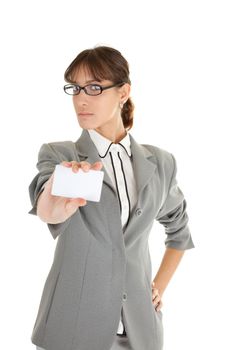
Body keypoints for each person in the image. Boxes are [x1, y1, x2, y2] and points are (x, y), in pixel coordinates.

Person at [28, 46, 194, 350]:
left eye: (94, 87)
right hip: (72, 331)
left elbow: (179, 231)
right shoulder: (61, 156)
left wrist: (158, 286)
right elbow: (46, 208)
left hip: (139, 333)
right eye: (75, 88)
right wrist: (55, 199)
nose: (81, 99)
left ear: (123, 92)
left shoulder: (160, 162)